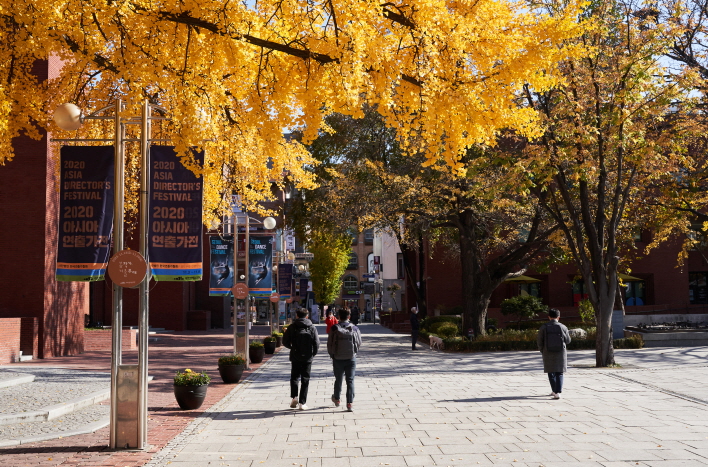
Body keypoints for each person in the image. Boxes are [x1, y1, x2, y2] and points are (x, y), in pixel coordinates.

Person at [283, 308, 320, 410]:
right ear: (307, 316)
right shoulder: (312, 327)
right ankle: (302, 403)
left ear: (297, 316)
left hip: (295, 355)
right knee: (305, 379)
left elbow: (284, 342)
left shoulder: (292, 327)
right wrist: (313, 354)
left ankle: (294, 397)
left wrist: (292, 348)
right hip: (307, 357)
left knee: (294, 377)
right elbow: (317, 343)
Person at [328, 308, 362, 412]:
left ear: (338, 316)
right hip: (350, 358)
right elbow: (359, 342)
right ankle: (350, 403)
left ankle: (337, 399)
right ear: (349, 317)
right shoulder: (354, 328)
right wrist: (354, 353)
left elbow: (329, 343)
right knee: (350, 380)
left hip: (337, 357)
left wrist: (332, 355)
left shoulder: (334, 328)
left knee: (338, 379)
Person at [537, 308, 571, 399]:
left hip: (547, 352)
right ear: (558, 317)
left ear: (549, 317)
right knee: (559, 372)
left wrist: (542, 350)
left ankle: (554, 391)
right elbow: (568, 341)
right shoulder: (563, 327)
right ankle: (558, 392)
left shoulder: (544, 327)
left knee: (551, 372)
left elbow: (539, 341)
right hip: (561, 352)